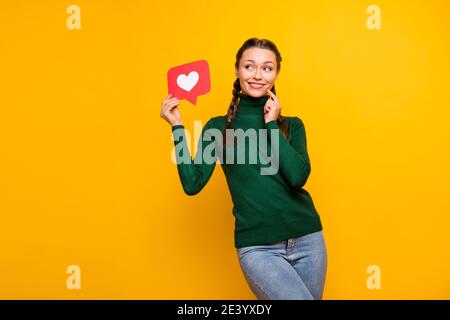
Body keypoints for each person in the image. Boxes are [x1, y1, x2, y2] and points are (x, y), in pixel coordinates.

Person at [160, 38, 327, 300]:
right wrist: (178, 127)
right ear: (237, 70)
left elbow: (297, 177)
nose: (258, 75)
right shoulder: (218, 128)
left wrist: (272, 125)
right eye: (250, 67)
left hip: (308, 239)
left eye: (267, 68)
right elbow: (192, 184)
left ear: (276, 74)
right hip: (258, 247)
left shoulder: (292, 126)